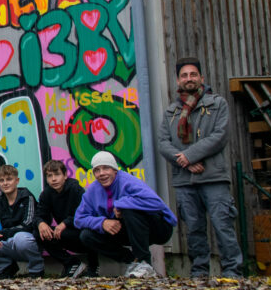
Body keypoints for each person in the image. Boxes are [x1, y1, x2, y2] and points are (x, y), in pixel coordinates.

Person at [158, 57, 244, 278]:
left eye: (193, 74)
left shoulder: (217, 104)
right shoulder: (171, 112)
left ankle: (233, 272)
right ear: (178, 80)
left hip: (213, 177)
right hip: (185, 180)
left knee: (222, 225)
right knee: (194, 229)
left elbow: (219, 136)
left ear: (201, 78)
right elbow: (163, 143)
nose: (189, 79)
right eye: (184, 75)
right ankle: (199, 272)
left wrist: (189, 155)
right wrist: (184, 162)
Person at [75, 151, 178, 278]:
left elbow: (156, 204)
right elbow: (79, 219)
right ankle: (134, 262)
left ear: (115, 170)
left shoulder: (128, 181)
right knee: (86, 235)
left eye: (106, 168)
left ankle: (144, 262)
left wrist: (121, 204)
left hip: (159, 228)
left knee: (129, 209)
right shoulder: (92, 190)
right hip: (127, 230)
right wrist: (102, 223)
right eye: (97, 170)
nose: (101, 173)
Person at [36, 160, 97, 278]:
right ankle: (72, 263)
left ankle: (94, 267)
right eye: (50, 176)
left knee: (88, 231)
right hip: (65, 235)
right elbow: (39, 214)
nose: (53, 179)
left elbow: (85, 214)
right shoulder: (46, 194)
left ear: (65, 176)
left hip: (82, 234)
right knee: (39, 233)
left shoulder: (76, 189)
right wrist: (41, 223)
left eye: (57, 174)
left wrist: (65, 223)